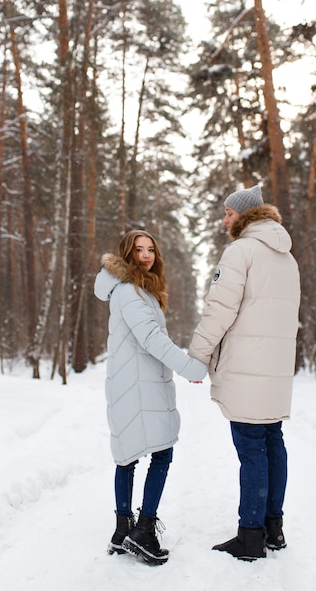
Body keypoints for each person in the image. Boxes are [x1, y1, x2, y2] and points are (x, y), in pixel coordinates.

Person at [188, 185, 300, 562]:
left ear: (246, 216)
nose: (225, 220)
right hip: (275, 371)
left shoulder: (241, 251)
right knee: (273, 444)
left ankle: (250, 536)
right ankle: (273, 527)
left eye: (228, 213)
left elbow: (219, 308)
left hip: (247, 368)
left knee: (252, 449)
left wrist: (198, 355)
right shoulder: (287, 257)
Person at [94, 229, 207, 566]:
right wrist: (190, 367)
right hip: (139, 385)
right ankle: (142, 530)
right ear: (126, 254)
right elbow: (151, 339)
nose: (146, 255)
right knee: (161, 453)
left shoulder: (137, 289)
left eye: (150, 250)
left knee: (127, 455)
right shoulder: (130, 291)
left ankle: (122, 531)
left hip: (134, 382)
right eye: (138, 249)